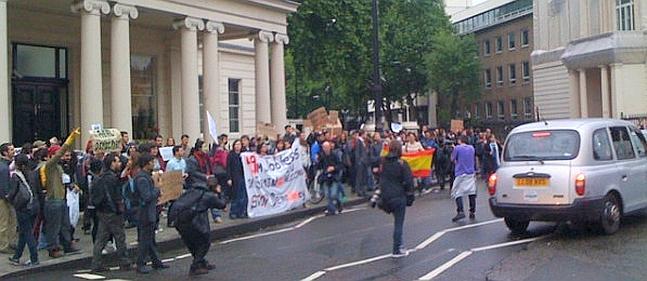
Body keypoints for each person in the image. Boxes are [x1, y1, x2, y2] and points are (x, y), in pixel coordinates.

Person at [41, 129, 82, 258]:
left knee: (65, 225)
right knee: (54, 226)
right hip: (53, 200)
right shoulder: (49, 166)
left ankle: (67, 245)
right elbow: (59, 154)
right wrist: (69, 140)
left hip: (61, 199)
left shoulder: (59, 167)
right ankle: (53, 248)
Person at [174, 178, 226, 276]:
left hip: (179, 219)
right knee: (204, 242)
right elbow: (222, 204)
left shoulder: (193, 190)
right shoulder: (209, 196)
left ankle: (201, 262)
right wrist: (220, 193)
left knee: (192, 243)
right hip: (192, 222)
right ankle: (195, 266)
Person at [91, 153, 130, 272]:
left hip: (102, 211)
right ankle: (124, 262)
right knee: (120, 237)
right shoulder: (111, 178)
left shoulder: (102, 176)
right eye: (117, 161)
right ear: (112, 163)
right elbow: (116, 195)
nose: (119, 163)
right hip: (112, 211)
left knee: (101, 238)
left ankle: (96, 264)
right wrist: (119, 208)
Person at [134, 153, 169, 274]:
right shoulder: (142, 178)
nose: (154, 164)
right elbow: (147, 197)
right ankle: (140, 263)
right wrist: (157, 188)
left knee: (150, 239)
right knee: (145, 240)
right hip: (145, 213)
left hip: (149, 212)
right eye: (152, 162)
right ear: (147, 164)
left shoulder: (145, 176)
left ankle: (156, 262)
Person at [379, 140, 414, 258]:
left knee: (396, 221)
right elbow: (409, 182)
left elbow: (380, 177)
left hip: (386, 197)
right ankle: (397, 249)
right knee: (398, 224)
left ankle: (400, 245)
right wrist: (410, 197)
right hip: (399, 196)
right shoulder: (402, 164)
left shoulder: (383, 162)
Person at [7, 154, 40, 266]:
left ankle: (34, 258)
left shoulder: (16, 176)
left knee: (27, 233)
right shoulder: (32, 173)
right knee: (24, 232)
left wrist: (8, 199)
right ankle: (17, 256)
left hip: (22, 207)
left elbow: (12, 192)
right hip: (34, 206)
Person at [451, 136, 477, 222]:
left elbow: (452, 159)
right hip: (470, 172)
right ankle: (472, 211)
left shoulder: (457, 148)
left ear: (460, 140)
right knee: (471, 191)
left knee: (457, 192)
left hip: (460, 172)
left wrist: (454, 149)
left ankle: (460, 210)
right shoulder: (471, 148)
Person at [0, 143, 17, 254]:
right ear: (5, 152)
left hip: (9, 197)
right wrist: (7, 196)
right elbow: (3, 184)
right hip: (4, 198)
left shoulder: (9, 165)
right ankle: (3, 245)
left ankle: (10, 242)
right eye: (11, 150)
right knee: (4, 223)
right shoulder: (3, 167)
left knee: (12, 221)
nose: (14, 151)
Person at [318, 141, 343, 215]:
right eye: (324, 147)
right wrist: (318, 161)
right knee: (327, 195)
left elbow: (340, 165)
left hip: (334, 177)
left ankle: (339, 203)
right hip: (326, 177)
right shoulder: (322, 156)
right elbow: (319, 166)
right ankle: (331, 210)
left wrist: (334, 168)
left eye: (327, 147)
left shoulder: (334, 155)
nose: (325, 149)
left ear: (330, 147)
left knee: (333, 194)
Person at [227, 140, 247, 219]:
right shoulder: (231, 155)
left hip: (242, 176)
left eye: (239, 144)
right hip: (235, 177)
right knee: (235, 196)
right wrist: (229, 178)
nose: (238, 146)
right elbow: (228, 167)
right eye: (236, 144)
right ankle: (233, 212)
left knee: (242, 196)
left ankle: (241, 212)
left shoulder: (243, 155)